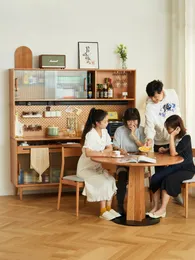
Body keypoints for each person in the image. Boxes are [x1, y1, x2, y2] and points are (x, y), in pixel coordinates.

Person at [76, 108, 120, 221]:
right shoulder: (90, 134)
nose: (108, 123)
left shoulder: (105, 132)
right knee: (104, 182)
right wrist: (103, 152)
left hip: (97, 167)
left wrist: (105, 151)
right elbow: (88, 152)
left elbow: (109, 146)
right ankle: (102, 211)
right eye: (105, 121)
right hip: (86, 169)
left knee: (110, 180)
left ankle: (109, 208)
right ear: (97, 123)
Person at [148, 115, 195, 219]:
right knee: (155, 177)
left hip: (186, 169)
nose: (168, 131)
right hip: (176, 166)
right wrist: (165, 150)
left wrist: (172, 136)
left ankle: (162, 209)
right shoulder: (177, 138)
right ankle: (155, 207)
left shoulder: (186, 137)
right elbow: (174, 150)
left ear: (177, 128)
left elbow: (174, 153)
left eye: (169, 129)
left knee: (168, 179)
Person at [144, 80, 183, 205]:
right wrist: (149, 138)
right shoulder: (149, 106)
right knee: (160, 171)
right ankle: (161, 199)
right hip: (160, 141)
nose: (154, 100)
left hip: (175, 137)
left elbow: (178, 112)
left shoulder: (172, 94)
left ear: (161, 91)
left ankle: (175, 192)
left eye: (155, 97)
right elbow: (149, 126)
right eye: (151, 97)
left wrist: (179, 131)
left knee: (175, 167)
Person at [113, 108, 145, 215]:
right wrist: (120, 150)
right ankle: (120, 205)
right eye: (129, 120)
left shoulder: (142, 130)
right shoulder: (120, 130)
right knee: (122, 177)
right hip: (123, 160)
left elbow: (144, 149)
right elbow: (115, 146)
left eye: (135, 120)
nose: (132, 123)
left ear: (138, 120)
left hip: (138, 161)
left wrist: (134, 136)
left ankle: (137, 205)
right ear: (125, 121)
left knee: (136, 178)